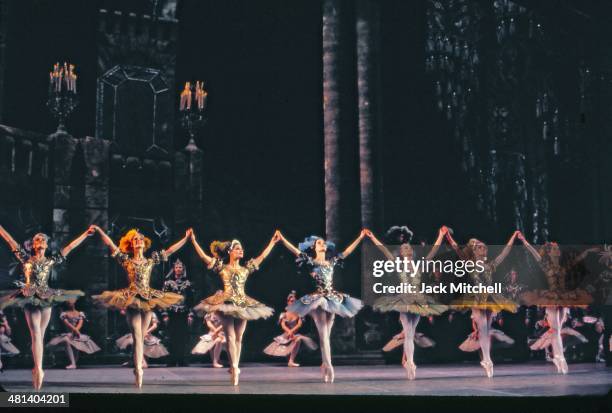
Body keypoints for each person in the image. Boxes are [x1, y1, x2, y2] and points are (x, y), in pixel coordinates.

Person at [91, 226, 190, 387]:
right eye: (135, 239)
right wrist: (100, 230)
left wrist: (185, 239)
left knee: (141, 337)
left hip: (147, 298)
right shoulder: (126, 260)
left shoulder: (150, 260)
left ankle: (136, 363)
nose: (138, 241)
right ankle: (138, 370)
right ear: (131, 244)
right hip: (131, 297)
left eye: (140, 239)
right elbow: (110, 244)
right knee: (137, 335)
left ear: (144, 244)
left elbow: (170, 250)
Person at [0, 225, 93, 389]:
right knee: (35, 333)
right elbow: (9, 240)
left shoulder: (51, 260)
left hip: (46, 296)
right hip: (29, 296)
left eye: (43, 239)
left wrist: (85, 234)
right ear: (33, 245)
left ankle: (37, 364)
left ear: (46, 245)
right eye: (37, 239)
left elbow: (70, 247)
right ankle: (38, 369)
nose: (41, 241)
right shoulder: (25, 258)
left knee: (40, 337)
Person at [190, 230, 280, 385]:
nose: (241, 250)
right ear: (230, 251)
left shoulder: (246, 269)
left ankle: (234, 367)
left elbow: (262, 257)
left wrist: (272, 242)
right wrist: (193, 241)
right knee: (230, 336)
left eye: (241, 248)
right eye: (238, 248)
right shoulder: (222, 267)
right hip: (226, 303)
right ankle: (235, 367)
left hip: (243, 304)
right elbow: (205, 257)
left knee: (239, 339)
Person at [277, 229, 366, 383]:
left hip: (332, 297)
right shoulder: (311, 262)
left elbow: (348, 252)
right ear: (314, 248)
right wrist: (282, 238)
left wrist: (361, 236)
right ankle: (329, 366)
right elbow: (294, 250)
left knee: (327, 336)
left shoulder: (331, 261)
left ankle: (325, 364)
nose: (322, 245)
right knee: (323, 335)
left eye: (323, 243)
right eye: (319, 243)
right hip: (318, 299)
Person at [367, 226, 448, 379]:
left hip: (418, 299)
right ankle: (410, 362)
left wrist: (440, 236)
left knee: (411, 332)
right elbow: (384, 250)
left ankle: (409, 360)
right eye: (404, 247)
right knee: (409, 333)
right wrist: (372, 238)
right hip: (404, 299)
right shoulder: (398, 264)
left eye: (408, 247)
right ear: (402, 253)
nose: (406, 248)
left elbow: (433, 251)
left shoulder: (420, 264)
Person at [445, 230, 520, 377]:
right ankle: (487, 359)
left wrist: (513, 237)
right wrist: (447, 236)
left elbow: (505, 252)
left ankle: (486, 358)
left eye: (484, 247)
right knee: (483, 328)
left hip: (490, 297)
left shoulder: (490, 265)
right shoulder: (470, 263)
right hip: (476, 297)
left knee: (486, 329)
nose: (483, 248)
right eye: (479, 247)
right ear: (474, 250)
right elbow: (456, 248)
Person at [518, 236, 598, 374]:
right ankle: (561, 358)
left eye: (558, 248)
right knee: (555, 330)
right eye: (555, 249)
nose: (558, 250)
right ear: (550, 252)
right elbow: (533, 252)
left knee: (558, 330)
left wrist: (588, 251)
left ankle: (557, 356)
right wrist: (524, 240)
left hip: (563, 298)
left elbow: (576, 261)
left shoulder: (563, 266)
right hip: (551, 298)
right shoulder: (546, 264)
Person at [263, 291, 318, 367]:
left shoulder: (299, 313)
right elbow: (283, 325)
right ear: (288, 302)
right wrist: (289, 332)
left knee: (297, 340)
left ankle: (291, 361)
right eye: (291, 301)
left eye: (295, 302)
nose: (293, 303)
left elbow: (299, 325)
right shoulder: (284, 314)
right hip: (286, 334)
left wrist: (291, 331)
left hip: (294, 333)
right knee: (286, 346)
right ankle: (289, 360)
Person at [46, 300, 100, 369]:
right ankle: (73, 363)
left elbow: (80, 323)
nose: (70, 303)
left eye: (71, 301)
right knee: (66, 340)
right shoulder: (64, 313)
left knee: (76, 346)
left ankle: (74, 363)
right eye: (68, 302)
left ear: (74, 302)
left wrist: (76, 330)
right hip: (69, 334)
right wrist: (75, 330)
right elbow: (67, 324)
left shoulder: (80, 313)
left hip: (77, 334)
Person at [161, 259, 194, 367]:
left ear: (183, 269)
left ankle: (182, 359)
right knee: (171, 336)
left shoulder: (188, 283)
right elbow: (163, 299)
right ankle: (172, 360)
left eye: (180, 267)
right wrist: (165, 314)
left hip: (184, 312)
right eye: (176, 267)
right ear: (174, 269)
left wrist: (190, 314)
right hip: (171, 312)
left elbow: (191, 300)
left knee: (183, 337)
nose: (178, 269)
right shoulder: (168, 283)